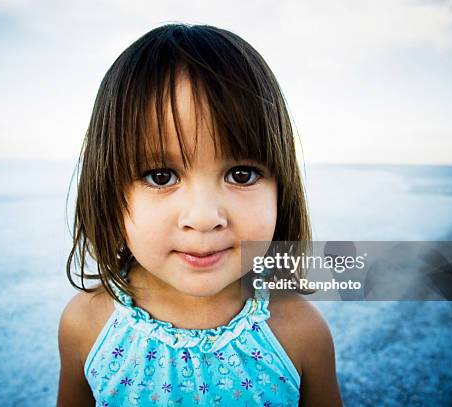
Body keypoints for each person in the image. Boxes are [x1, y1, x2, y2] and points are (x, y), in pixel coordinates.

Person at [57, 24, 342, 406]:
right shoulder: (87, 325)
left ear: (282, 188)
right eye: (161, 176)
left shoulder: (300, 333)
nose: (204, 217)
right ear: (108, 191)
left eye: (241, 174)